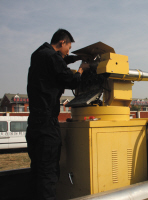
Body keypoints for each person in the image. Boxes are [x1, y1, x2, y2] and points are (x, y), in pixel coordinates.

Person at [26, 29, 89, 200]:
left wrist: (75, 57)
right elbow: (71, 80)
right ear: (62, 42)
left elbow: (58, 62)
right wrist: (81, 70)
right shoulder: (52, 58)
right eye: (68, 48)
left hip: (34, 125)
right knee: (49, 175)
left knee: (38, 172)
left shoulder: (38, 54)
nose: (68, 51)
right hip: (47, 126)